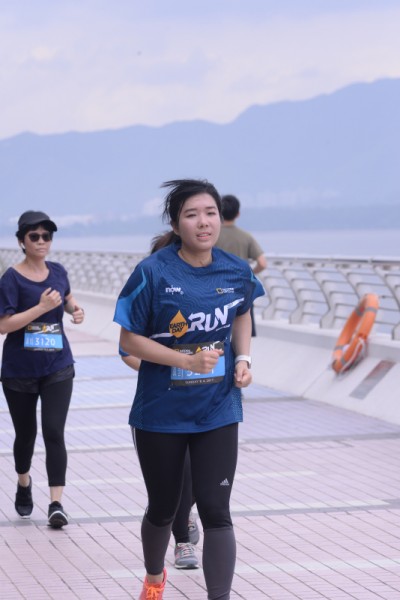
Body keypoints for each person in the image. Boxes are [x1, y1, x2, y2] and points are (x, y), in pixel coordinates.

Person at [114, 179, 265, 599]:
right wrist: (185, 362)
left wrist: (243, 359)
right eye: (192, 215)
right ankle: (154, 577)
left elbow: (242, 312)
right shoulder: (153, 271)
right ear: (176, 224)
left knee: (217, 511)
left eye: (210, 213)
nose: (204, 222)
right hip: (160, 413)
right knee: (164, 507)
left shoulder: (236, 270)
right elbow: (129, 340)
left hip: (218, 408)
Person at [0, 210, 85, 528]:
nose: (41, 241)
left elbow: (68, 299)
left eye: (46, 236)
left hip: (57, 366)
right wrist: (40, 308)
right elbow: (4, 325)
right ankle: (24, 482)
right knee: (26, 435)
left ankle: (55, 503)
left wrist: (75, 310)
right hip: (19, 371)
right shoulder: (11, 279)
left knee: (53, 431)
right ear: (22, 241)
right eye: (34, 236)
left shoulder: (58, 271)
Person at [120, 350, 200, 569]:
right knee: (179, 477)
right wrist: (164, 370)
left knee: (204, 478)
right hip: (164, 409)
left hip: (207, 404)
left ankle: (186, 511)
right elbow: (127, 351)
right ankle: (183, 542)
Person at [215, 194, 267, 336]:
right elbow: (262, 263)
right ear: (238, 214)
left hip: (217, 290)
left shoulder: (212, 236)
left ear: (219, 213)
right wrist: (250, 273)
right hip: (242, 290)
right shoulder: (246, 236)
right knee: (243, 334)